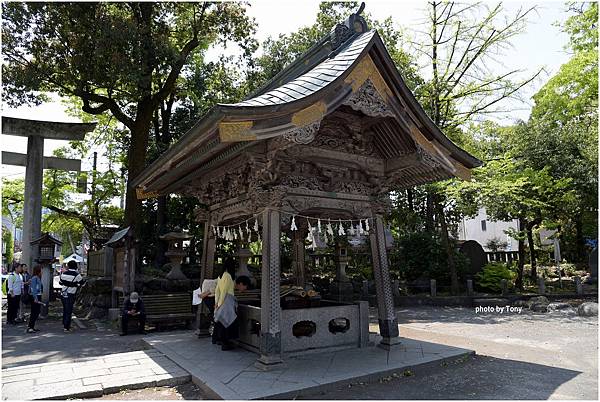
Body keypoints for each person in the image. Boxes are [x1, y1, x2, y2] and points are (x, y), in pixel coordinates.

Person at [213, 257, 238, 351]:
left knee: (221, 322)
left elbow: (217, 290)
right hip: (227, 301)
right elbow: (224, 291)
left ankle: (220, 341)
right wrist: (219, 304)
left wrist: (217, 302)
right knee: (228, 322)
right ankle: (226, 343)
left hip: (221, 300)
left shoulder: (220, 275)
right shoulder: (228, 276)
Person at [59, 260, 84, 332]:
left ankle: (65, 323)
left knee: (65, 309)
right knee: (69, 310)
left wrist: (67, 283)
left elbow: (60, 283)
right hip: (71, 294)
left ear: (68, 266)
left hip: (63, 293)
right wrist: (75, 284)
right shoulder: (77, 275)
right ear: (75, 266)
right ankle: (66, 327)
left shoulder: (64, 274)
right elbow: (82, 283)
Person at [26, 265, 43, 333]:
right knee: (34, 312)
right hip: (35, 296)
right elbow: (33, 289)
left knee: (36, 312)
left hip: (37, 296)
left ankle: (32, 326)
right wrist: (35, 298)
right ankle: (30, 327)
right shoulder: (34, 278)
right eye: (41, 270)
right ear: (38, 271)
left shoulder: (37, 278)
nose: (42, 272)